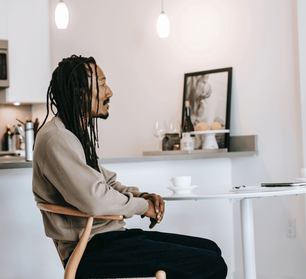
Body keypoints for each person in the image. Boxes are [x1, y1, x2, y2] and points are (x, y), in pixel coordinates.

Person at [32, 55, 228, 279]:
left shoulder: (72, 134)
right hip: (92, 249)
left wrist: (142, 195)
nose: (110, 92)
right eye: (103, 84)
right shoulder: (57, 138)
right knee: (210, 264)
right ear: (79, 92)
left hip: (111, 238)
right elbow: (96, 200)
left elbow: (107, 183)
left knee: (211, 249)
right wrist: (142, 207)